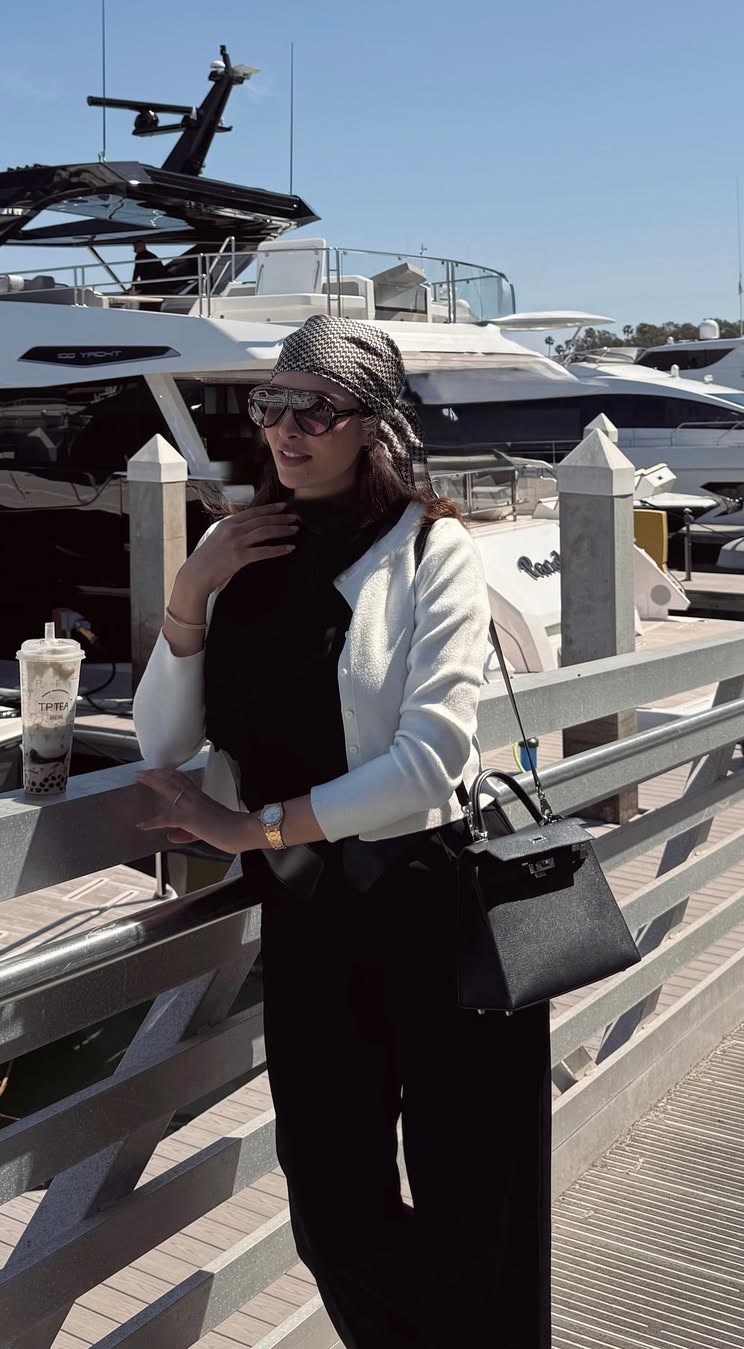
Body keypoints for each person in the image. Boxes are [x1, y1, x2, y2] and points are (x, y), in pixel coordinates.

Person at [131, 315, 552, 1349]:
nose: (287, 427)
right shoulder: (244, 555)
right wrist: (192, 587)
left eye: (316, 409)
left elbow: (429, 760)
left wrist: (255, 827)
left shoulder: (432, 549)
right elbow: (163, 739)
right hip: (313, 921)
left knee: (475, 1214)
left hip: (434, 903)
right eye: (272, 404)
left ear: (373, 426)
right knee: (332, 1205)